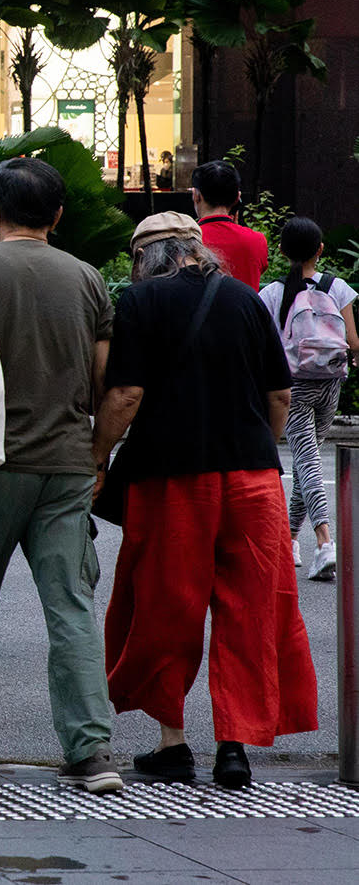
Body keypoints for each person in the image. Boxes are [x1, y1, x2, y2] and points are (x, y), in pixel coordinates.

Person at [93, 212, 316, 789]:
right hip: (253, 481)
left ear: (148, 257)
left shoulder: (140, 305)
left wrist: (97, 456)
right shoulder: (246, 301)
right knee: (250, 608)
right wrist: (256, 446)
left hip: (172, 480)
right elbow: (280, 395)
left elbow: (125, 396)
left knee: (167, 605)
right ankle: (233, 747)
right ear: (196, 250)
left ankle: (173, 744)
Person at [0, 157, 122, 795]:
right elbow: (104, 380)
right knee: (70, 605)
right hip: (67, 464)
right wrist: (94, 453)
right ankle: (91, 750)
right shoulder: (88, 278)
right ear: (58, 216)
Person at [259, 216, 358, 581]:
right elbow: (353, 341)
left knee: (307, 459)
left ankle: (323, 541)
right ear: (320, 249)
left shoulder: (271, 294)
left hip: (293, 384)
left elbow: (263, 348)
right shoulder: (338, 288)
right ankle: (293, 538)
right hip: (331, 383)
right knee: (309, 457)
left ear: (281, 250)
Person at [191, 160, 268, 290]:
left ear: (196, 195)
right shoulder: (257, 240)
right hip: (244, 309)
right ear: (238, 198)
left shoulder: (187, 241)